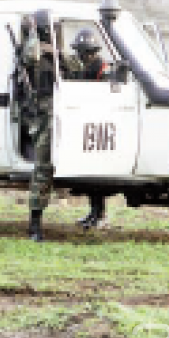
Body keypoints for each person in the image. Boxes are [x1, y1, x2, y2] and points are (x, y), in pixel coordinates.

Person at [62, 28, 111, 229]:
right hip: (88, 123)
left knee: (96, 179)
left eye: (83, 52)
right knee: (91, 180)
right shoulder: (89, 67)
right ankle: (94, 213)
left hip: (98, 125)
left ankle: (99, 215)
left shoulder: (102, 68)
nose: (81, 56)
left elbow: (102, 95)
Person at [21, 11, 56, 241]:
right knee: (42, 169)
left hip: (56, 113)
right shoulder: (31, 51)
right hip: (42, 116)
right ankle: (34, 226)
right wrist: (34, 33)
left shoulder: (54, 56)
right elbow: (31, 55)